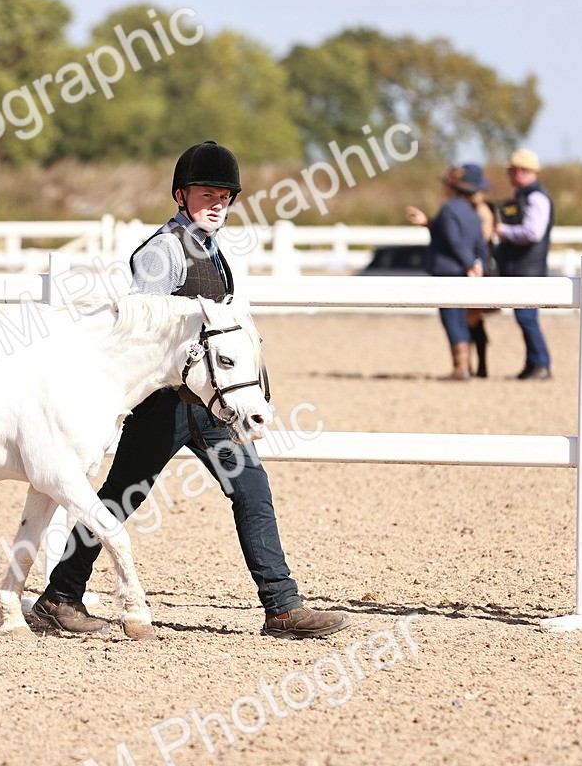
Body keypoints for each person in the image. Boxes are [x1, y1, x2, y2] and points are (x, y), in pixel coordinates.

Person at [31, 141, 352, 640]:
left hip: (207, 404)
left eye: (224, 195)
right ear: (181, 195)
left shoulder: (211, 247)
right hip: (165, 405)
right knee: (118, 498)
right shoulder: (163, 252)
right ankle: (60, 596)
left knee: (251, 490)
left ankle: (282, 606)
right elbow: (146, 328)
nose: (217, 202)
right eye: (207, 194)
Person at [405, 164, 487, 381]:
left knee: (451, 319)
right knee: (461, 318)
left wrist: (469, 262)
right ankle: (466, 365)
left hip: (448, 271)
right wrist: (479, 264)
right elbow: (478, 243)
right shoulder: (472, 212)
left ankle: (460, 368)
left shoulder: (449, 209)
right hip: (465, 272)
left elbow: (453, 240)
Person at [494, 148, 554, 380]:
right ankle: (533, 364)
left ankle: (540, 364)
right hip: (524, 267)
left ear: (519, 171)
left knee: (527, 317)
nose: (509, 175)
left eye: (510, 170)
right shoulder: (527, 196)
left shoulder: (535, 197)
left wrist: (503, 231)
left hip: (527, 268)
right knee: (525, 317)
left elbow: (533, 233)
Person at [465, 172, 497, 377]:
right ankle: (478, 364)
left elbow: (483, 239)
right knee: (472, 318)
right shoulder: (475, 210)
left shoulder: (482, 211)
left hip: (479, 268)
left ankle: (481, 365)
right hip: (477, 266)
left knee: (472, 317)